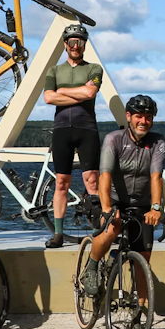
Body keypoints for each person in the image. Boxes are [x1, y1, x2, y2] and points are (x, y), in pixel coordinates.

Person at [80, 95, 165, 329]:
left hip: (142, 203)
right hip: (114, 198)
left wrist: (156, 208)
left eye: (148, 117)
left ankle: (138, 317)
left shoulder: (158, 142)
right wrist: (107, 208)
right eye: (139, 116)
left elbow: (156, 177)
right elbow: (104, 176)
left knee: (143, 260)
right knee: (111, 229)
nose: (144, 121)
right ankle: (93, 266)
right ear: (128, 117)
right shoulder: (113, 140)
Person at [42, 23, 103, 248]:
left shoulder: (94, 68)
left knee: (92, 182)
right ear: (65, 44)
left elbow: (90, 92)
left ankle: (98, 231)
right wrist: (79, 94)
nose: (76, 46)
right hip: (62, 131)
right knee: (61, 183)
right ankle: (58, 234)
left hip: (87, 129)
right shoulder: (54, 71)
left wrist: (62, 91)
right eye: (72, 42)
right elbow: (48, 98)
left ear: (85, 44)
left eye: (80, 42)